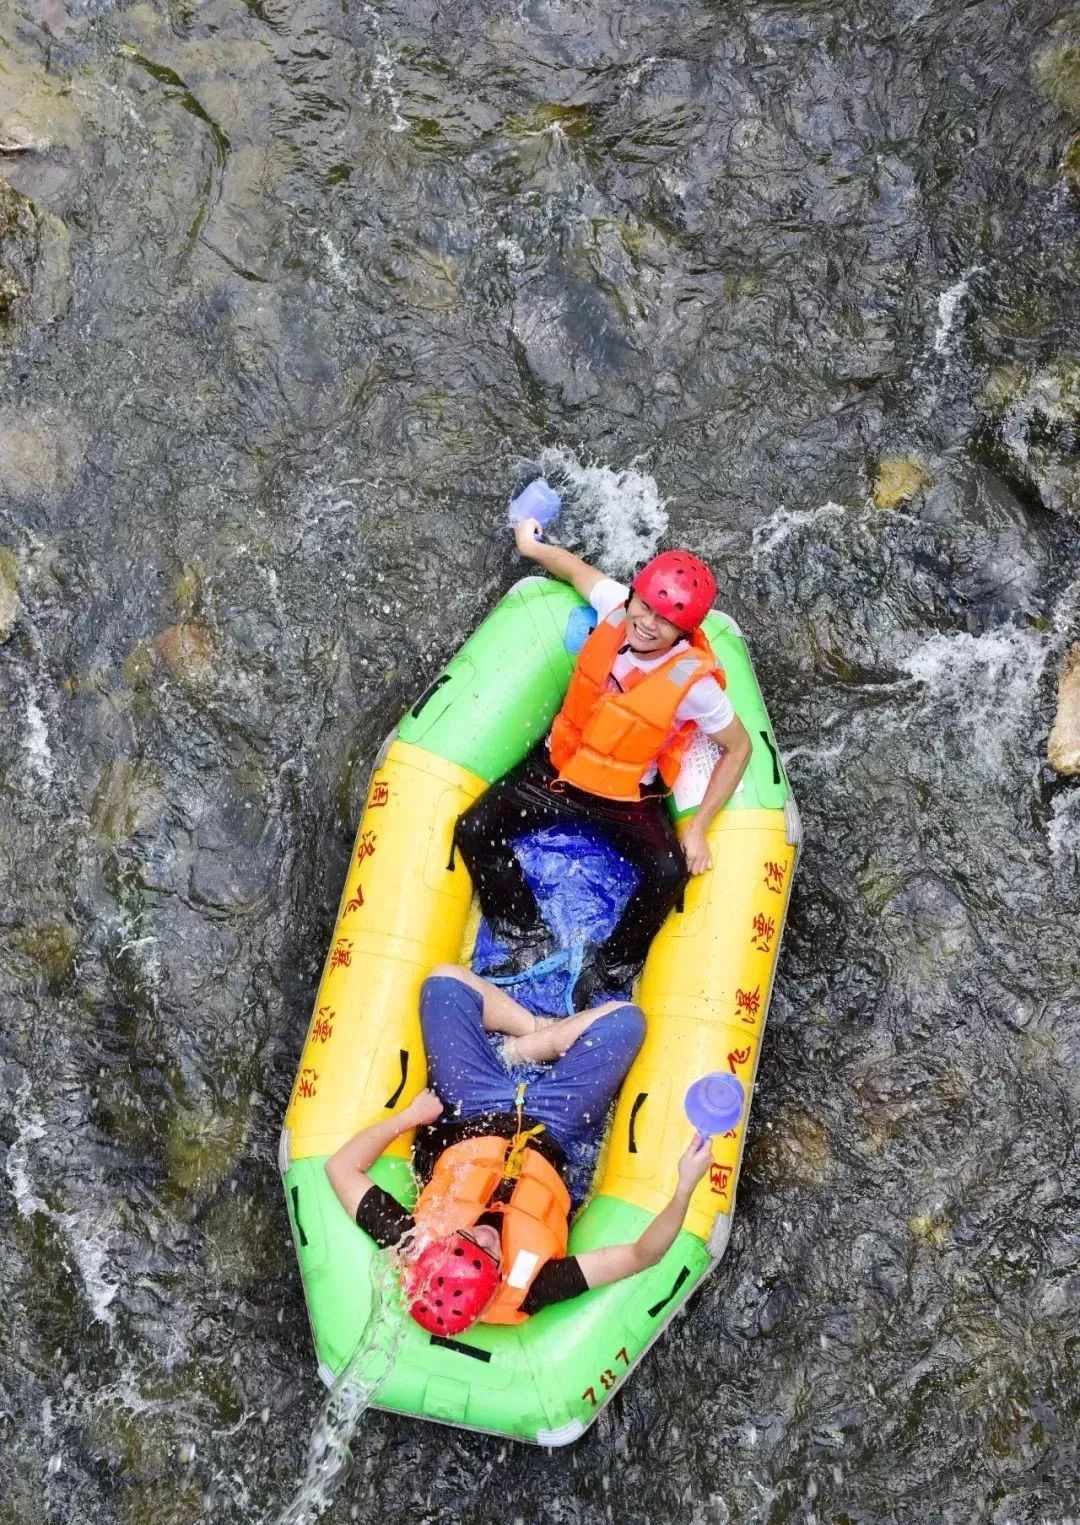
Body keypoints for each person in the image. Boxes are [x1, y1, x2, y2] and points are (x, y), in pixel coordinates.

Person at [453, 519, 753, 1005]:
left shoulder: (695, 686)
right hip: (557, 772)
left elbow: (739, 748)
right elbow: (573, 569)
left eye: (666, 620)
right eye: (645, 607)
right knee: (475, 830)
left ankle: (613, 964)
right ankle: (523, 933)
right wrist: (530, 545)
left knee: (668, 873)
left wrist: (697, 827)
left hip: (626, 796)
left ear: (684, 631)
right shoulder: (616, 606)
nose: (648, 624)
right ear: (633, 595)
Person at [326, 966, 713, 1335]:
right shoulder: (535, 1288)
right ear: (496, 1283)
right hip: (554, 1125)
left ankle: (526, 1042)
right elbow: (641, 1255)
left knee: (444, 984)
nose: (484, 1235)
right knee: (625, 1021)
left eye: (466, 1238)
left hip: (471, 1107)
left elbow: (341, 1168)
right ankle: (539, 1045)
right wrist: (684, 1189)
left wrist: (409, 1116)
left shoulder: (417, 1244)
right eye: (489, 1252)